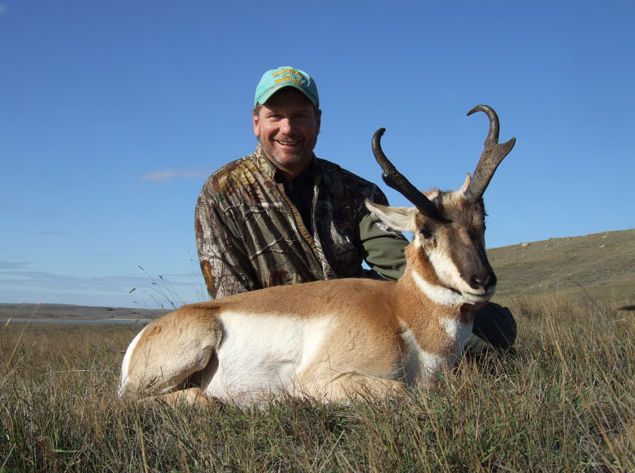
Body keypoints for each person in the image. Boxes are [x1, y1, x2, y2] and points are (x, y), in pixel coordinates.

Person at [195, 66, 516, 350]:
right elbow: (230, 303)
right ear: (256, 122)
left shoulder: (357, 192)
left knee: (498, 331)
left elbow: (398, 266)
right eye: (275, 116)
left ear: (318, 122)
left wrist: (456, 294)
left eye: (300, 116)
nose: (288, 128)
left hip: (354, 325)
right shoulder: (221, 196)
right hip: (278, 335)